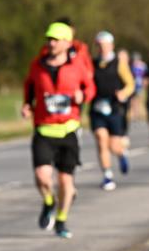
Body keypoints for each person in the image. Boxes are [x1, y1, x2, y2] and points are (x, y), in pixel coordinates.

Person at [22, 21, 95, 239]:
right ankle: (48, 201)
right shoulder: (38, 65)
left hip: (68, 130)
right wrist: (27, 104)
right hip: (44, 129)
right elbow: (29, 86)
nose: (51, 43)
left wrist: (84, 96)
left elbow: (89, 87)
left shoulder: (76, 65)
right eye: (49, 39)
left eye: (55, 39)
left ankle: (61, 219)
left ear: (66, 42)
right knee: (42, 177)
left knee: (66, 182)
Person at [90, 31, 134, 191]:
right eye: (100, 46)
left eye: (106, 45)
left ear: (111, 46)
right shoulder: (92, 64)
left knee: (114, 146)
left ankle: (121, 154)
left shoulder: (119, 63)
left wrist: (123, 93)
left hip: (114, 108)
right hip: (97, 108)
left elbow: (130, 84)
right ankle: (107, 176)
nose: (103, 48)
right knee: (101, 140)